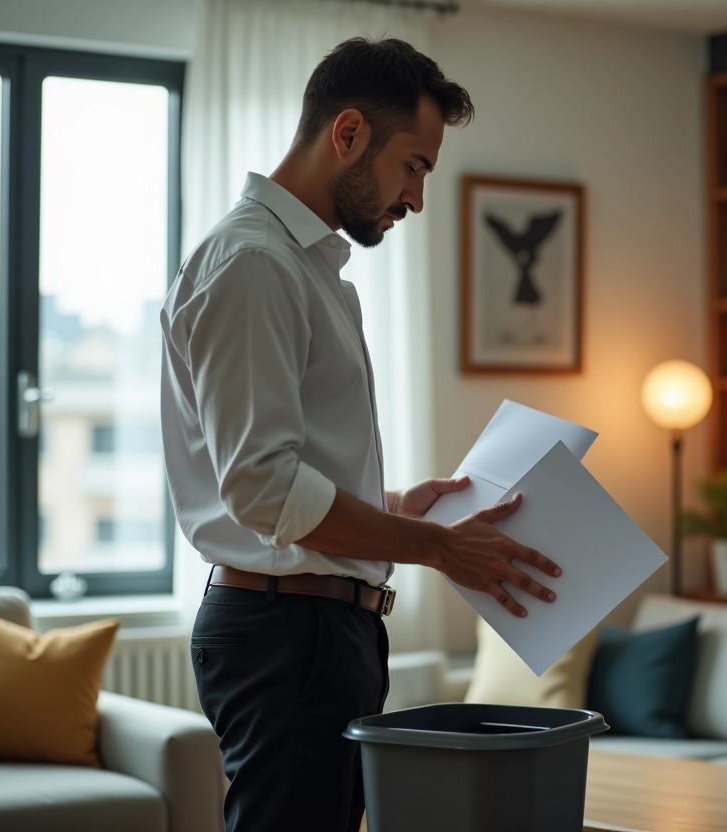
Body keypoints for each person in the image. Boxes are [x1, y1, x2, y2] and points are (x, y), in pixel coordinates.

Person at [160, 37, 562, 832]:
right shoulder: (255, 266)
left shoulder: (312, 272)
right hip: (288, 635)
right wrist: (439, 547)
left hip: (321, 628)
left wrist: (397, 506)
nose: (415, 198)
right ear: (347, 135)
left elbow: (287, 469)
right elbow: (262, 488)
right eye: (413, 166)